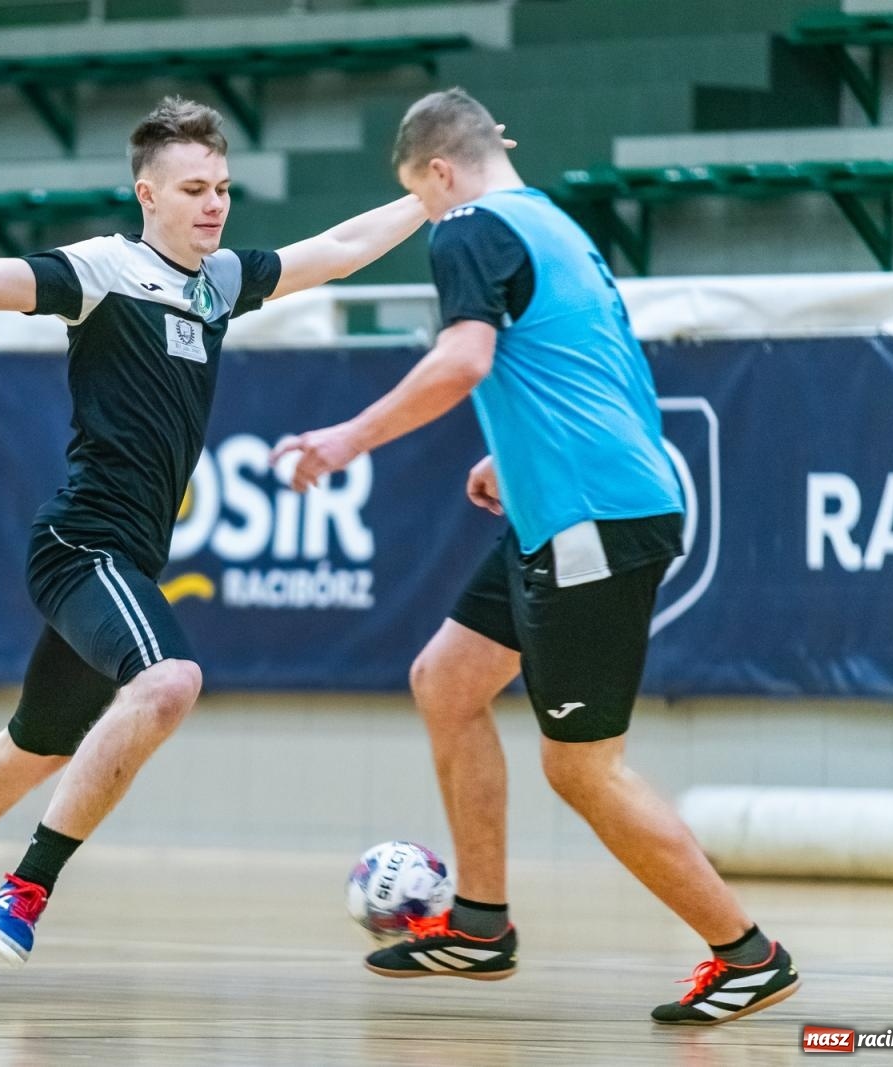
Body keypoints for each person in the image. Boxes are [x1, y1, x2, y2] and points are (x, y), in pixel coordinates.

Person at [0, 96, 452, 977]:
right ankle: (29, 887)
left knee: (37, 745)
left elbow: (335, 250)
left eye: (223, 188)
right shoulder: (102, 270)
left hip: (124, 558)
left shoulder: (218, 284)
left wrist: (431, 197)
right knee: (169, 681)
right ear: (148, 195)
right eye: (195, 189)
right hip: (80, 544)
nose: (214, 204)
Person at [271, 88, 800, 1026]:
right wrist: (508, 458)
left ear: (438, 173)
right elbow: (599, 369)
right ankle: (479, 924)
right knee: (446, 679)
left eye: (422, 197)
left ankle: (747, 953)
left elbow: (466, 360)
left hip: (592, 520)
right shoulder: (553, 223)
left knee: (582, 769)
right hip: (567, 503)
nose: (428, 217)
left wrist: (348, 437)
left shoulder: (467, 225)